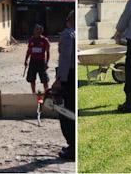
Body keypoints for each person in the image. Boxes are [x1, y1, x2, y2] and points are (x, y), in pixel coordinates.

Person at [53, 11, 75, 160]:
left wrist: (59, 80)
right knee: (72, 110)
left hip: (67, 77)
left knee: (65, 113)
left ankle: (72, 147)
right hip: (73, 75)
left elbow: (65, 59)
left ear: (68, 21)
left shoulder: (68, 34)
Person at [24, 24, 50, 94]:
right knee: (32, 79)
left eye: (39, 30)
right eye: (36, 29)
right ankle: (33, 93)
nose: (37, 31)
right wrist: (26, 60)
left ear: (41, 31)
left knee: (45, 80)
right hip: (33, 62)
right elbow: (29, 51)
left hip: (41, 62)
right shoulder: (31, 40)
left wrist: (46, 63)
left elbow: (47, 52)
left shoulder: (45, 40)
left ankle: (46, 93)